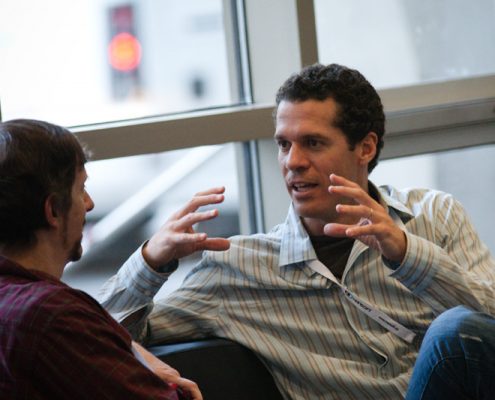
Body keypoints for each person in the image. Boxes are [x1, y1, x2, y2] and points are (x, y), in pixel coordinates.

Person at [99, 64, 495, 399]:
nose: (293, 162)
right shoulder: (238, 266)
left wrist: (407, 255)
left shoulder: (434, 216)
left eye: (313, 143)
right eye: (284, 144)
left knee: (455, 334)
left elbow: (488, 322)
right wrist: (150, 261)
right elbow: (92, 334)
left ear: (366, 147)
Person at [0, 119, 213, 399]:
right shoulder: (52, 315)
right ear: (52, 210)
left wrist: (134, 352)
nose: (89, 204)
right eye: (80, 189)